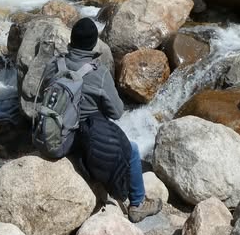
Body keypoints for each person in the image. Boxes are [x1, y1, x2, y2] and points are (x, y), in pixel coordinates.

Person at [39, 17, 162, 223]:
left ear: (72, 40)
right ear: (93, 43)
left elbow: (44, 94)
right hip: (86, 142)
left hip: (57, 134)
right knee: (131, 150)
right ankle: (138, 204)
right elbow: (117, 112)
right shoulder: (100, 73)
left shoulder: (54, 64)